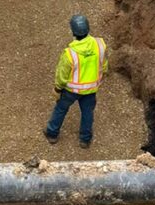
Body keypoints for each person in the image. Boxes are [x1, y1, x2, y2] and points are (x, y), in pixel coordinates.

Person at [45, 14, 108, 148]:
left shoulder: (70, 53)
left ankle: (52, 133)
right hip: (91, 90)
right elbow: (104, 65)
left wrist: (57, 88)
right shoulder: (100, 45)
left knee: (61, 109)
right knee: (87, 113)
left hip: (71, 91)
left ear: (73, 32)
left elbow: (62, 74)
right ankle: (85, 140)